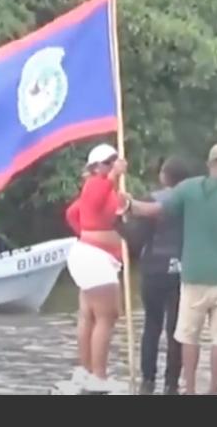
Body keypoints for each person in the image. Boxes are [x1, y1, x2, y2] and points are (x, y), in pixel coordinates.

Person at [128, 143, 217, 395]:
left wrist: (129, 204)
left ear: (209, 164)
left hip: (193, 276)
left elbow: (153, 210)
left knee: (189, 336)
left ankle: (191, 389)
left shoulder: (189, 189)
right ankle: (213, 391)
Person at [121, 156, 193, 395]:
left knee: (152, 326)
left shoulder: (151, 200)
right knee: (177, 329)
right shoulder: (193, 203)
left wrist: (119, 224)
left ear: (164, 176)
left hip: (154, 269)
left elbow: (136, 239)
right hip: (182, 270)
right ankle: (172, 384)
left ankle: (148, 380)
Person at [63, 143, 128, 393]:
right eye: (108, 162)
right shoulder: (95, 184)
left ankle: (87, 370)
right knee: (106, 316)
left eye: (114, 161)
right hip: (94, 257)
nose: (113, 165)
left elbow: (73, 212)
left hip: (94, 256)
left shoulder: (106, 189)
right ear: (96, 167)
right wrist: (91, 235)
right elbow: (92, 200)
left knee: (90, 316)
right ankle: (98, 376)